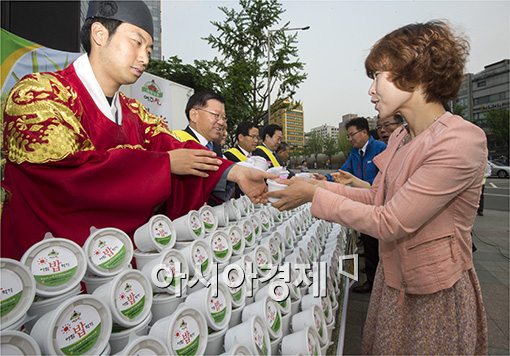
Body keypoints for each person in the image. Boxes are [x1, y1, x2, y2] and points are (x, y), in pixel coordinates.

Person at [269, 21, 488, 354]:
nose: (371, 91)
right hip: (395, 279)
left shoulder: (459, 140)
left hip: (432, 292)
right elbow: (377, 196)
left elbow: (392, 220)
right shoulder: (400, 136)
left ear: (415, 73)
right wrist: (315, 187)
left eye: (377, 77)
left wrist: (315, 194)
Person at [1, 0, 270, 260]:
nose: (144, 58)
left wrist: (234, 171)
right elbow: (67, 173)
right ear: (99, 34)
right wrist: (162, 166)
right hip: (47, 268)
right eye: (136, 42)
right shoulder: (38, 94)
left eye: (149, 49)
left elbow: (172, 147)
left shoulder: (134, 112)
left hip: (118, 267)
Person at [340, 116, 387, 293]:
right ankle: (372, 279)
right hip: (364, 204)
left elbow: (382, 180)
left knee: (378, 246)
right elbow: (344, 172)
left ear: (365, 132)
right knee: (368, 243)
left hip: (379, 205)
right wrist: (325, 179)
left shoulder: (380, 149)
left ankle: (378, 281)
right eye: (348, 136)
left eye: (352, 135)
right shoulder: (355, 153)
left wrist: (360, 184)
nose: (350, 139)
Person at [173, 90, 226, 157]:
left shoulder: (216, 148)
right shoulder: (176, 142)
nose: (221, 122)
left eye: (223, 117)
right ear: (194, 115)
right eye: (216, 115)